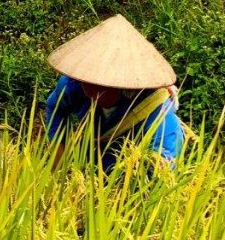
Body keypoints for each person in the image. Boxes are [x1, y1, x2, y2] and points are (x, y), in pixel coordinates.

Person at [44, 14, 183, 171]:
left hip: (132, 163)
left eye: (103, 87)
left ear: (124, 85)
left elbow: (160, 171)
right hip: (94, 152)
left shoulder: (155, 109)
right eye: (89, 84)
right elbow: (55, 107)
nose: (94, 94)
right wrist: (58, 150)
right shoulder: (72, 85)